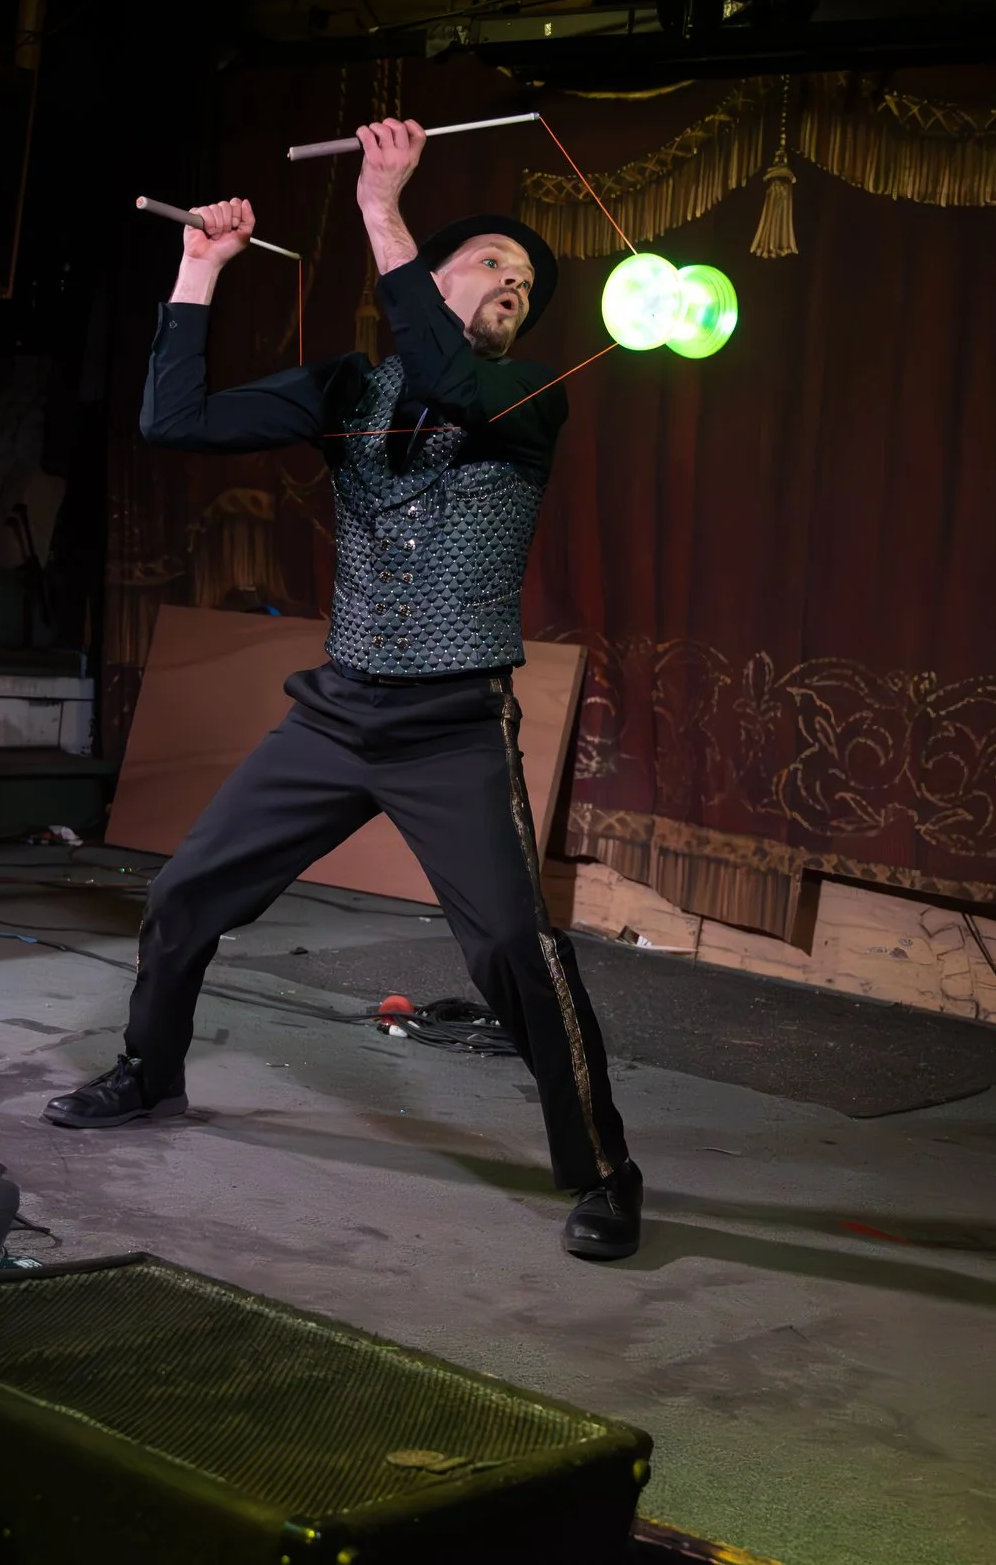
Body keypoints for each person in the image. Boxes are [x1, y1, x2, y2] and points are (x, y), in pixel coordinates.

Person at [42, 118, 642, 1262]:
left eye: (527, 281)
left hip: (450, 729)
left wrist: (378, 205)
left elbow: (449, 382)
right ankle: (147, 1074)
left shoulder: (524, 402)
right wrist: (199, 269)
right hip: (337, 713)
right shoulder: (344, 389)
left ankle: (605, 1170)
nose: (514, 283)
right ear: (434, 271)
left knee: (514, 951)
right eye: (494, 263)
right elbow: (176, 420)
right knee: (182, 898)